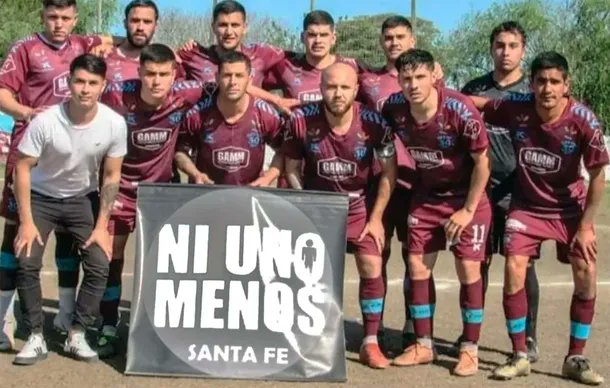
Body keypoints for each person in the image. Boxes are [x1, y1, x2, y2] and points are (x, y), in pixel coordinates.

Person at [472, 51, 608, 385]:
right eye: (541, 81)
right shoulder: (516, 108)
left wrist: (587, 227)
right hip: (527, 206)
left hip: (569, 209)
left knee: (586, 271)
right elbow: (478, 103)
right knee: (514, 267)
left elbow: (598, 175)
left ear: (566, 85)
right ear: (531, 84)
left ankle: (575, 357)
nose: (547, 88)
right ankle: (520, 354)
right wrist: (438, 90)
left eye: (554, 81)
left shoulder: (583, 120)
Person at [0, 0, 114, 350]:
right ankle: (3, 320)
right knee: (16, 237)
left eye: (65, 18)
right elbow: (2, 93)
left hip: (73, 158)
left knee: (67, 239)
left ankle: (65, 316)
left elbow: (113, 39)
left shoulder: (82, 45)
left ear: (75, 19)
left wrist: (108, 41)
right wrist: (27, 112)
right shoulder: (26, 48)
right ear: (43, 17)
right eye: (52, 17)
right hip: (32, 152)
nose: (59, 24)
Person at [12, 54, 126, 365]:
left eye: (92, 83)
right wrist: (26, 221)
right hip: (41, 197)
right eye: (79, 81)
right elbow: (21, 168)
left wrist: (102, 225)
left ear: (102, 87)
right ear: (69, 83)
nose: (85, 89)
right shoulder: (46, 121)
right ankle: (35, 335)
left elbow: (112, 176)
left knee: (100, 263)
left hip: (82, 199)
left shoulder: (114, 124)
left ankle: (77, 332)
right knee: (27, 260)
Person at [382, 49, 490, 377]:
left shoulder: (460, 110)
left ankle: (470, 349)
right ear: (398, 79)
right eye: (406, 78)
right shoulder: (393, 108)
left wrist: (468, 210)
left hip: (466, 199)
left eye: (419, 77)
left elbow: (483, 164)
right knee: (416, 267)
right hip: (426, 197)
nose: (413, 84)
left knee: (468, 271)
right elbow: (383, 144)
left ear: (434, 76)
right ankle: (423, 345)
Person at [282, 62, 397, 369]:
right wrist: (305, 199)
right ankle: (313, 334)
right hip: (319, 206)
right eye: (331, 86)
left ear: (356, 90)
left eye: (345, 87)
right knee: (310, 271)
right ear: (320, 88)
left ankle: (370, 340)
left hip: (359, 206)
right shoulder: (301, 119)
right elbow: (291, 166)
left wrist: (376, 218)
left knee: (371, 262)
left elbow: (388, 172)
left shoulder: (374, 123)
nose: (337, 93)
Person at [97, 43, 206, 358]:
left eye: (163, 74)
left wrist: (276, 99)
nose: (156, 81)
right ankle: (107, 323)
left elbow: (233, 84)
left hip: (161, 192)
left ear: (175, 75)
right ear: (139, 73)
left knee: (166, 261)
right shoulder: (115, 95)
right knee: (110, 255)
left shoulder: (187, 94)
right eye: (150, 74)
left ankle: (161, 325)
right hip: (120, 188)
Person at [460, 21, 541, 361]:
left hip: (521, 192)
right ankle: (470, 336)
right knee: (477, 262)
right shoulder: (474, 87)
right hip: (482, 191)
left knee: (522, 265)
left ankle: (528, 338)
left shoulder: (533, 91)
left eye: (512, 45)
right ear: (491, 48)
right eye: (499, 45)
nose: (505, 52)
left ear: (523, 49)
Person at [175, 51, 284, 187]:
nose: (233, 82)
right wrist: (195, 173)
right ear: (216, 78)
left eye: (239, 76)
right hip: (206, 196)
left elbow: (284, 150)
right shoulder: (198, 114)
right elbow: (180, 152)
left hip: (249, 197)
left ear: (249, 80)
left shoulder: (265, 114)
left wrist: (268, 177)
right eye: (227, 75)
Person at [105, 0, 159, 83]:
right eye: (135, 21)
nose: (140, 28)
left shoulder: (164, 62)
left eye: (147, 22)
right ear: (125, 23)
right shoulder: (104, 55)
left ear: (155, 26)